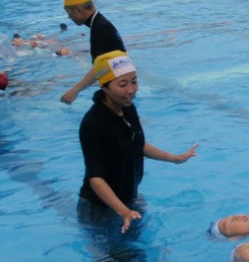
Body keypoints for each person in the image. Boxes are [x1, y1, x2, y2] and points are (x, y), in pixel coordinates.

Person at [78, 51, 197, 233]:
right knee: (116, 257)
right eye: (123, 84)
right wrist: (123, 211)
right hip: (99, 209)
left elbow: (137, 145)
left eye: (134, 82)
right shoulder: (93, 123)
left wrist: (174, 158)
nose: (131, 90)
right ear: (104, 87)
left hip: (128, 199)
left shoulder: (127, 108)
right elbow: (96, 178)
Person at [60, 0, 126, 104]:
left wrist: (75, 90)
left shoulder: (100, 27)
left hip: (118, 92)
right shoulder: (99, 24)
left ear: (79, 9)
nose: (68, 17)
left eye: (68, 12)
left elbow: (100, 68)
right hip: (119, 89)